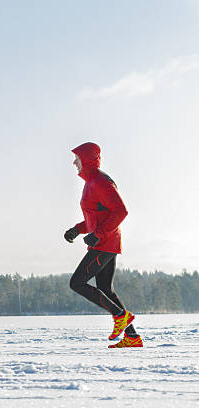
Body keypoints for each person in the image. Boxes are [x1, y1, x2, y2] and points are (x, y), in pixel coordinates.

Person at [64, 142, 143, 348]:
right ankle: (132, 336)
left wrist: (98, 235)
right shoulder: (90, 183)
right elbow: (97, 215)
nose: (74, 162)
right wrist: (77, 229)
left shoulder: (100, 182)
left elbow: (120, 211)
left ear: (87, 160)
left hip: (105, 243)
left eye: (77, 159)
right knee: (105, 289)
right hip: (104, 242)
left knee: (77, 283)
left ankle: (119, 315)